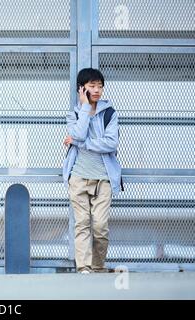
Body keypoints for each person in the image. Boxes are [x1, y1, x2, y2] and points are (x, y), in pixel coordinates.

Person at [62, 68, 122, 274]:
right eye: (92, 86)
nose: (97, 90)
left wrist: (82, 143)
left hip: (103, 179)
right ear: (82, 89)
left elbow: (111, 144)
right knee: (82, 224)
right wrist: (86, 107)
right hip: (78, 177)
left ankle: (98, 265)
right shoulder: (74, 114)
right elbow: (77, 132)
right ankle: (84, 267)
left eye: (100, 86)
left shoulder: (110, 114)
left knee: (100, 226)